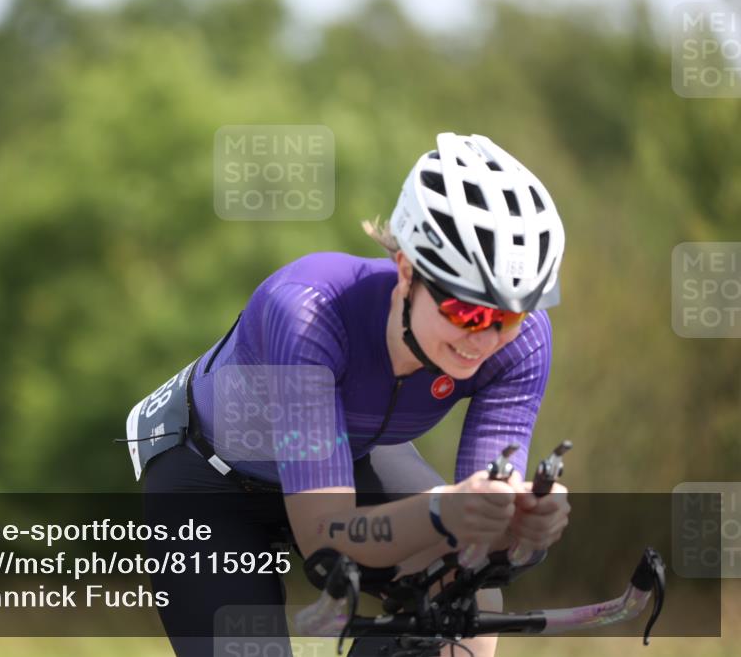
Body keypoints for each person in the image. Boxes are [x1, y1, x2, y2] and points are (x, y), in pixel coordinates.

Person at [128, 132, 571, 657]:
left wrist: (523, 528)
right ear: (407, 272)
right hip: (209, 480)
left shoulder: (523, 345)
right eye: (467, 312)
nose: (485, 338)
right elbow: (328, 546)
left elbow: (479, 542)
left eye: (508, 317)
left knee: (469, 601)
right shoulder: (306, 313)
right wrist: (441, 512)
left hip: (348, 457)